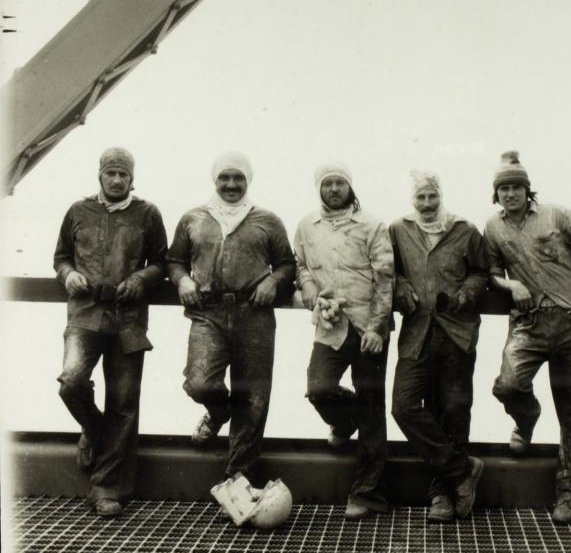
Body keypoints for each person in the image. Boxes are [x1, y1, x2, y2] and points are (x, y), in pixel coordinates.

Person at [483, 151, 571, 525]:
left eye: (516, 187)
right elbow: (491, 269)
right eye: (504, 188)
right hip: (530, 320)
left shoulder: (555, 215)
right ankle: (527, 419)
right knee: (508, 385)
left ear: (528, 190)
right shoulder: (493, 227)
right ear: (497, 193)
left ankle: (568, 493)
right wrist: (511, 283)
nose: (510, 194)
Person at [167, 152, 295, 485]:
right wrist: (182, 280)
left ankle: (238, 477)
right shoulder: (194, 218)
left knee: (252, 397)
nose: (231, 184)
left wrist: (273, 281)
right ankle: (218, 412)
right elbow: (175, 260)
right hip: (207, 312)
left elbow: (287, 264)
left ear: (248, 181)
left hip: (254, 314)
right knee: (199, 382)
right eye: (224, 177)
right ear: (214, 180)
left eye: (238, 178)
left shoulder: (266, 219)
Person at [54, 147, 168, 517]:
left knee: (123, 400)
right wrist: (68, 274)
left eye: (123, 174)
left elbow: (163, 263)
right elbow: (60, 257)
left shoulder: (147, 213)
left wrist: (140, 277)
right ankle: (96, 431)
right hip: (84, 314)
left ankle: (108, 488)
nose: (117, 180)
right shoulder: (77, 211)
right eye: (110, 173)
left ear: (132, 178)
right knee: (71, 381)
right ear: (99, 175)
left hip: (128, 318)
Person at [294, 162, 394, 519]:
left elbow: (385, 279)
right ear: (319, 188)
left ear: (350, 188)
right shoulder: (307, 225)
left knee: (372, 404)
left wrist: (378, 328)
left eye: (340, 183)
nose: (334, 189)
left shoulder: (372, 225)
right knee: (318, 388)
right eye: (328, 184)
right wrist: (306, 285)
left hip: (369, 328)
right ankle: (345, 421)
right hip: (330, 324)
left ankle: (367, 494)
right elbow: (300, 264)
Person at [389, 170, 489, 523]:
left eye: (432, 197)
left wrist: (467, 294)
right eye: (421, 198)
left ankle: (442, 496)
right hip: (417, 333)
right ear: (412, 200)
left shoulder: (465, 230)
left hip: (457, 332)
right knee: (403, 406)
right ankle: (462, 471)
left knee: (453, 412)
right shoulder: (398, 230)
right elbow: (391, 270)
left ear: (440, 196)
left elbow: (481, 272)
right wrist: (400, 286)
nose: (427, 204)